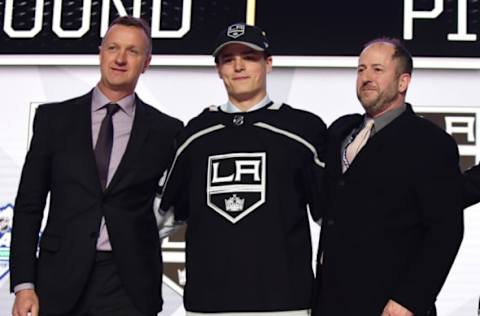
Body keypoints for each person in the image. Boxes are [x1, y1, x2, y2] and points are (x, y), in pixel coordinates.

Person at [9, 15, 183, 316]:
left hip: (130, 285)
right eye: (113, 48)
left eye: (132, 51)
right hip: (58, 278)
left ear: (147, 63)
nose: (120, 58)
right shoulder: (54, 119)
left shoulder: (167, 131)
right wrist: (24, 284)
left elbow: (179, 203)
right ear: (100, 52)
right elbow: (28, 205)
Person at [158, 23, 326, 315]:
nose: (238, 66)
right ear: (218, 69)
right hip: (208, 305)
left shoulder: (304, 130)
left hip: (284, 304)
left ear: (268, 64)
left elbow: (334, 219)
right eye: (228, 59)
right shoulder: (196, 134)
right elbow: (160, 217)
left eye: (249, 56)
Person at [313, 38, 464, 316]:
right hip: (330, 301)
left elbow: (445, 231)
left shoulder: (430, 143)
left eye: (377, 70)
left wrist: (410, 299)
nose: (366, 78)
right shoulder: (340, 131)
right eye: (361, 70)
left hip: (390, 304)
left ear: (403, 82)